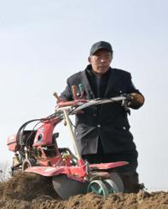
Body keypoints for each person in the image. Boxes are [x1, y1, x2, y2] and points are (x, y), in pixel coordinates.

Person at [58, 41, 145, 192]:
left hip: (118, 140)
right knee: (88, 182)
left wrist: (134, 98)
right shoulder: (75, 80)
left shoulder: (122, 78)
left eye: (107, 56)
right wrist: (65, 105)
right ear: (89, 59)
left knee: (128, 180)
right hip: (88, 143)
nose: (103, 60)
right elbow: (62, 101)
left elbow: (137, 99)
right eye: (98, 57)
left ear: (111, 58)